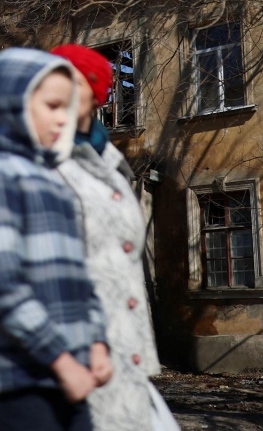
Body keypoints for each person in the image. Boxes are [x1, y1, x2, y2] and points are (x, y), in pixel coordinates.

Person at [0, 47, 112, 431]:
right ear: (15, 104)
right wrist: (60, 359)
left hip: (71, 374)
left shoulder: (57, 186)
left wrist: (96, 342)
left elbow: (81, 280)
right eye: (53, 106)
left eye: (68, 106)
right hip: (19, 380)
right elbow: (0, 286)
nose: (64, 118)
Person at [51, 43, 179, 431]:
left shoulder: (113, 163)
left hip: (124, 346)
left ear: (95, 91)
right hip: (76, 350)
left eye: (68, 80)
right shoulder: (41, 162)